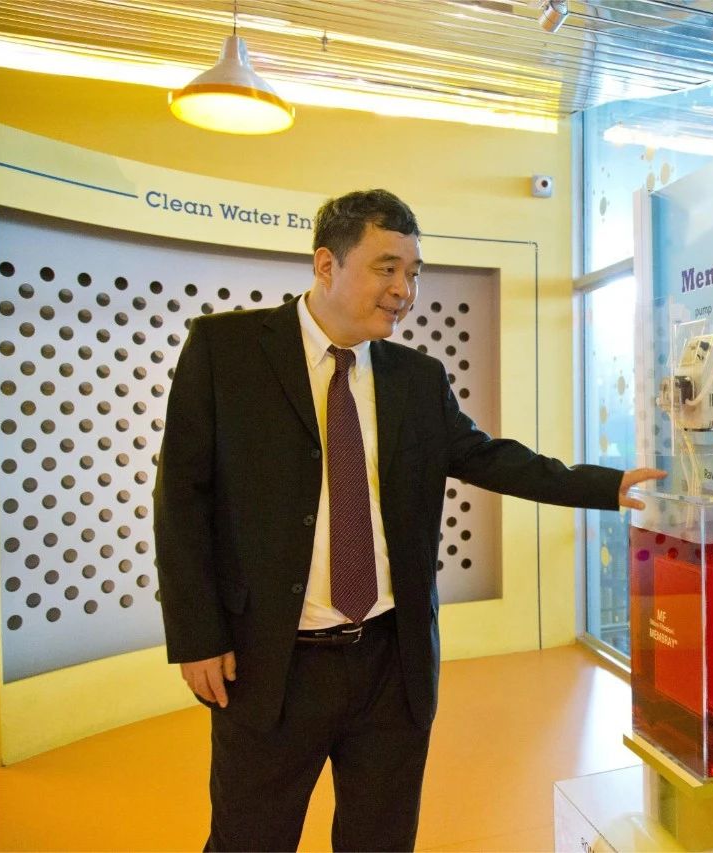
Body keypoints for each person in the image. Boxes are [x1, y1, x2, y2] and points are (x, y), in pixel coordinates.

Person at [153, 188, 663, 851]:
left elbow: (488, 457)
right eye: (387, 268)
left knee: (382, 840)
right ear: (327, 265)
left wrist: (606, 484)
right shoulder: (227, 350)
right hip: (271, 663)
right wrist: (197, 635)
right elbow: (181, 499)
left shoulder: (416, 378)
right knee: (249, 839)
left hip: (392, 664)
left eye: (414, 272)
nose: (404, 289)